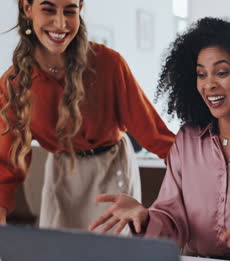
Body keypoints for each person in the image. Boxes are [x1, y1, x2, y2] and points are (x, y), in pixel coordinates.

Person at [89, 17, 230, 261]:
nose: (209, 85)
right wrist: (145, 219)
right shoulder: (187, 140)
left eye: (222, 72)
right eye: (201, 75)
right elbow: (173, 222)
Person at [0, 0, 175, 230]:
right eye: (48, 9)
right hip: (62, 174)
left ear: (80, 9)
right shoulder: (13, 83)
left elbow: (154, 133)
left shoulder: (108, 63)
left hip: (112, 169)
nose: (61, 23)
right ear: (27, 8)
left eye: (70, 11)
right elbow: (7, 162)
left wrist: (198, 177)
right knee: (59, 253)